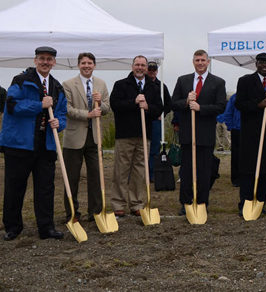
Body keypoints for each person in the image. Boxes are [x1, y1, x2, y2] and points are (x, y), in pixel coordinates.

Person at [0, 46, 67, 240]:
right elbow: (12, 106)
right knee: (15, 187)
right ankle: (13, 227)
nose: (45, 62)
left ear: (54, 62)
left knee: (45, 188)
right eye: (42, 59)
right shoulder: (21, 81)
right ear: (35, 60)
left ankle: (46, 228)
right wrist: (40, 105)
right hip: (20, 145)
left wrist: (59, 123)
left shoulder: (57, 87)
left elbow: (62, 112)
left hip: (45, 146)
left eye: (49, 59)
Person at [171, 49, 226, 214]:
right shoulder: (183, 81)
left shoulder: (218, 82)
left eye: (203, 60)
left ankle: (202, 202)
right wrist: (187, 102)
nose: (200, 63)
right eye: (197, 60)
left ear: (208, 62)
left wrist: (200, 108)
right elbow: (173, 103)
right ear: (193, 62)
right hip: (188, 133)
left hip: (205, 134)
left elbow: (221, 106)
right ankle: (186, 202)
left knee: (204, 170)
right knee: (186, 170)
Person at [109, 55, 163, 217]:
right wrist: (134, 101)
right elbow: (115, 105)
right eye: (137, 64)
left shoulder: (153, 87)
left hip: (144, 135)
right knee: (121, 170)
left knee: (140, 171)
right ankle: (118, 203)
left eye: (143, 65)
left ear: (147, 68)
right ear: (132, 66)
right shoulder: (121, 85)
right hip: (125, 134)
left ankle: (137, 203)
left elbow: (159, 109)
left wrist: (147, 107)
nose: (140, 68)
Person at [235, 53, 266, 215]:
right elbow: (239, 103)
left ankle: (261, 202)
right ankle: (245, 202)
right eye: (262, 62)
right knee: (248, 168)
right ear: (256, 64)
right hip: (251, 132)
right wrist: (258, 104)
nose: (265, 65)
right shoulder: (245, 81)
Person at [61, 52, 110, 222]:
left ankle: (95, 212)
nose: (87, 66)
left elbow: (106, 108)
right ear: (78, 65)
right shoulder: (68, 84)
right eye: (83, 63)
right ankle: (72, 214)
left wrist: (100, 103)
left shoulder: (101, 84)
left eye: (90, 63)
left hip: (94, 137)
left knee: (96, 176)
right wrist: (87, 114)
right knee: (72, 177)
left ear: (94, 65)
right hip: (74, 138)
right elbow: (66, 108)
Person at [146, 61, 171, 182]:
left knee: (155, 149)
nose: (151, 72)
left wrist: (163, 114)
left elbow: (169, 103)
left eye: (153, 70)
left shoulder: (161, 86)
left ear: (156, 71)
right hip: (141, 121)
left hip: (155, 121)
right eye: (149, 70)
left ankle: (152, 173)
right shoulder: (141, 84)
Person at [217, 93, 240, 187]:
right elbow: (229, 112)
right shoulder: (235, 97)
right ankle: (236, 179)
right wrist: (231, 126)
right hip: (236, 129)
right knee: (236, 155)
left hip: (250, 130)